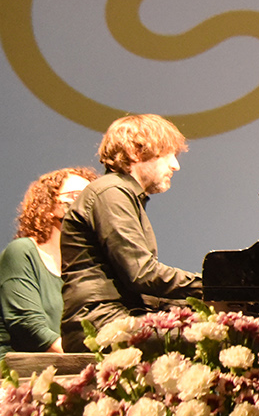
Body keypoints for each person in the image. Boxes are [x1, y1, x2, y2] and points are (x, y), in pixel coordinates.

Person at [61, 114, 203, 351]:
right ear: (136, 152)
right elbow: (142, 274)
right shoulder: (111, 192)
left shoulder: (122, 194)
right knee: (214, 339)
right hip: (98, 322)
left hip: (118, 314)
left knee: (225, 330)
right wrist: (212, 286)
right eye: (168, 155)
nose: (175, 166)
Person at [0, 167, 98, 357]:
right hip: (20, 371)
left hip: (69, 368)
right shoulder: (22, 252)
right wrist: (85, 360)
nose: (86, 204)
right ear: (49, 207)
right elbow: (28, 326)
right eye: (76, 196)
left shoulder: (87, 266)